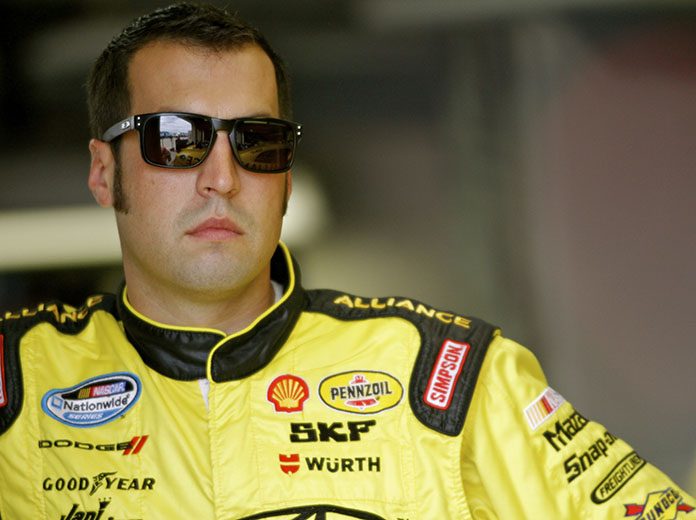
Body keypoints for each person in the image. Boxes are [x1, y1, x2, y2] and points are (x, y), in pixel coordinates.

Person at [0, 3, 693, 519]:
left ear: (286, 177)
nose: (222, 178)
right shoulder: (16, 387)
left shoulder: (448, 378)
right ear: (103, 172)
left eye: (257, 140)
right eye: (176, 139)